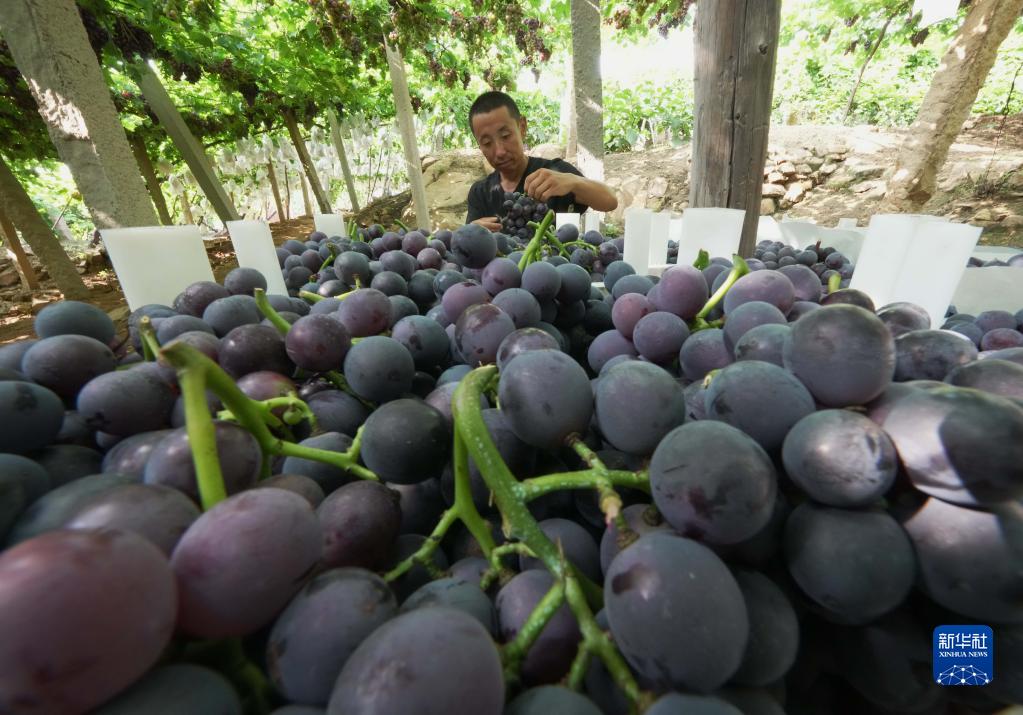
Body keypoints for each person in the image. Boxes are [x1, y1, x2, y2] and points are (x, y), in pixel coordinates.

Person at [465, 91, 618, 231]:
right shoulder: (480, 193)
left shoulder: (554, 174)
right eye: (487, 143)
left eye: (505, 136)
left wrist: (573, 182)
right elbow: (467, 248)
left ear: (522, 127)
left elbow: (610, 201)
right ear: (479, 145)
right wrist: (471, 230)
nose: (499, 151)